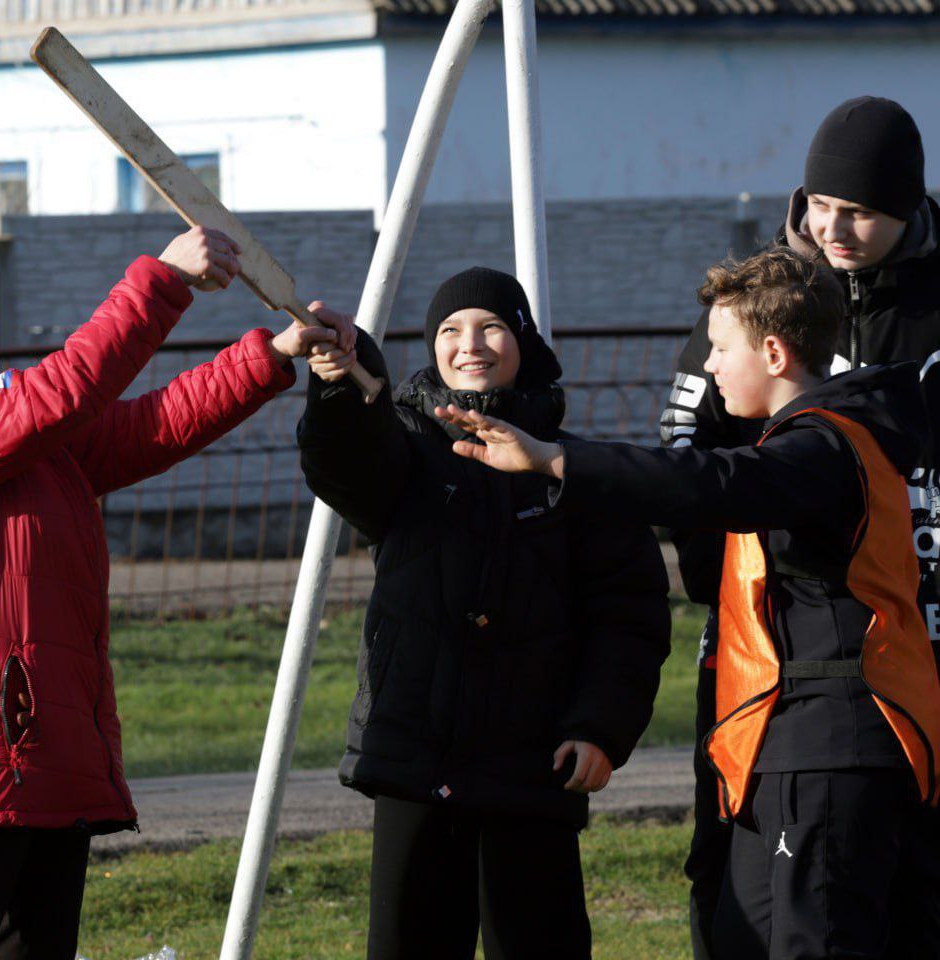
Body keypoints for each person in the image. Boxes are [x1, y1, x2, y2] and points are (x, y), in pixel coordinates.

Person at [0, 226, 356, 959]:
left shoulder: (1, 429)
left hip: (37, 731)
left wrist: (269, 359)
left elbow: (146, 427)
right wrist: (162, 281)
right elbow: (67, 388)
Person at [444, 248, 940, 959]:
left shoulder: (826, 448)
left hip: (832, 748)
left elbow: (710, 481)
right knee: (738, 935)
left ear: (772, 352)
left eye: (719, 348)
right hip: (779, 744)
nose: (707, 366)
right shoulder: (806, 443)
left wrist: (555, 459)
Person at [297, 266, 670, 959]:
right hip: (413, 755)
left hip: (533, 765)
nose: (470, 343)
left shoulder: (571, 471)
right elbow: (345, 460)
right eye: (449, 330)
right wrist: (339, 385)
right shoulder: (403, 454)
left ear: (525, 340)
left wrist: (599, 728)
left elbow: (630, 615)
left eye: (491, 325)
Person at [659, 95, 940, 958]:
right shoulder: (762, 299)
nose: (833, 227)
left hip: (911, 641)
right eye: (820, 204)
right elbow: (683, 453)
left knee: (905, 879)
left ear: (909, 209)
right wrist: (728, 583)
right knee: (741, 868)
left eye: (858, 211)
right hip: (765, 647)